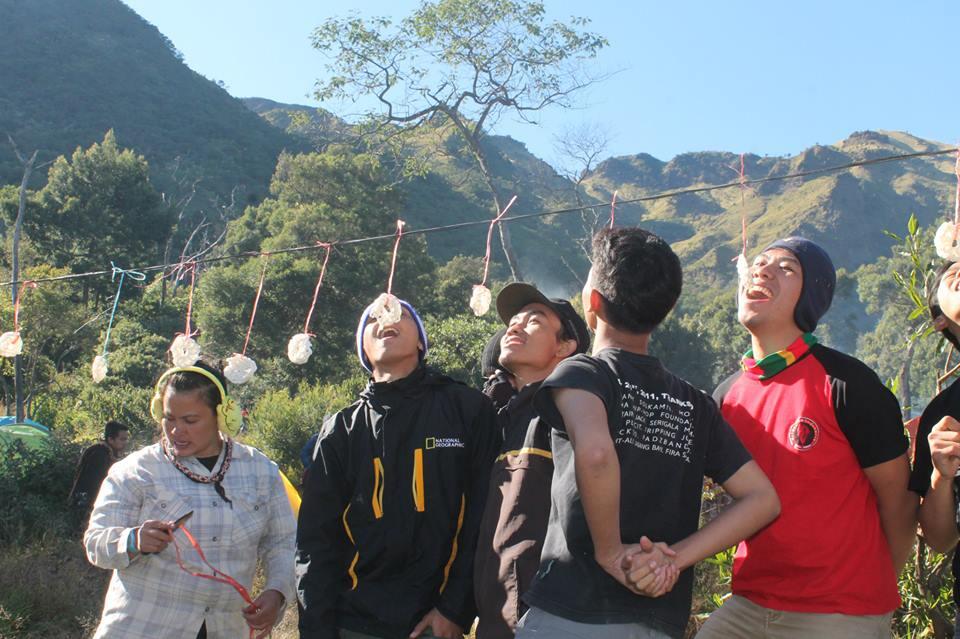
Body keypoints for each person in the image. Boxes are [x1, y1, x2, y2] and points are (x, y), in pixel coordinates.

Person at [516, 227, 780, 639]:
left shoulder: (583, 373)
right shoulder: (695, 402)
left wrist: (609, 553)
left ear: (593, 303)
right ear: (667, 309)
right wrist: (671, 559)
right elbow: (763, 499)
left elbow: (597, 454)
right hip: (654, 620)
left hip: (571, 612)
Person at [699, 237, 917, 638]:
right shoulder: (726, 397)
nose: (761, 270)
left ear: (810, 298)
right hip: (749, 603)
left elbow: (899, 500)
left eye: (786, 268)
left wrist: (873, 591)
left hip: (840, 612)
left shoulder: (847, 384)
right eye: (760, 263)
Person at [296, 298, 500, 639]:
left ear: (421, 340)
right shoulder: (341, 430)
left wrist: (455, 609)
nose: (385, 319)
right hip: (353, 622)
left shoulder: (467, 409)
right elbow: (315, 542)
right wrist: (317, 630)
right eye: (371, 319)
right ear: (362, 348)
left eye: (400, 314)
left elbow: (484, 514)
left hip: (435, 622)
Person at [84, 360, 296, 639]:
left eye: (190, 421)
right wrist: (133, 540)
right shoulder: (136, 471)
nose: (176, 430)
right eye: (169, 418)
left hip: (227, 629)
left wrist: (277, 592)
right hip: (141, 629)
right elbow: (95, 543)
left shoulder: (261, 471)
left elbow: (283, 543)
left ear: (221, 416)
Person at [473, 283, 590, 639]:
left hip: (543, 621)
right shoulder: (496, 419)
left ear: (565, 346)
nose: (515, 326)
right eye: (513, 321)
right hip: (494, 620)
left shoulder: (569, 416)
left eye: (534, 320)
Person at [911, 259, 960, 638]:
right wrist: (941, 478)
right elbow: (941, 539)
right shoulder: (943, 416)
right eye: (951, 274)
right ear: (939, 320)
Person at [69, 420, 130, 518]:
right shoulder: (99, 454)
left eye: (126, 439)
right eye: (122, 439)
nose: (125, 443)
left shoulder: (105, 453)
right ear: (110, 439)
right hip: (85, 505)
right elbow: (96, 483)